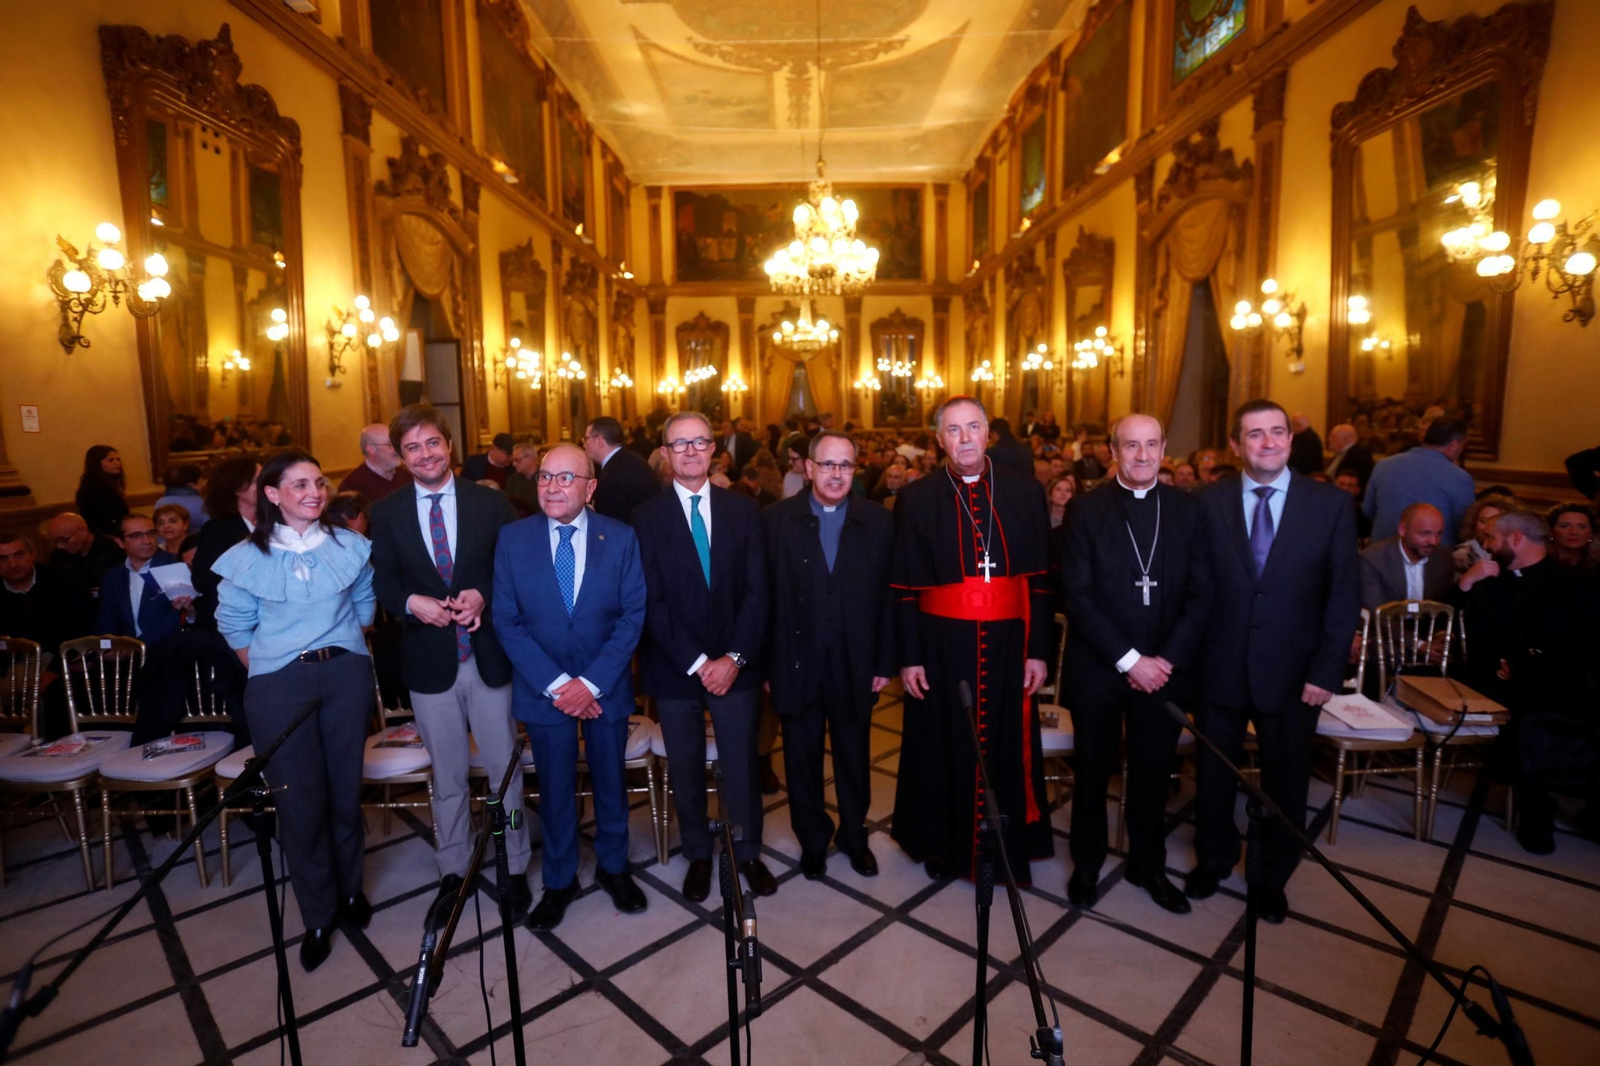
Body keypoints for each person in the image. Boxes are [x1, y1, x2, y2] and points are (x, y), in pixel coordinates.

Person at [1187, 400, 1359, 922]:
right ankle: (1214, 858)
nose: (1268, 442)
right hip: (1219, 665)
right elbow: (1193, 588)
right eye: (1255, 434)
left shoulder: (1328, 505)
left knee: (1286, 781)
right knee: (1214, 775)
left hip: (1294, 671)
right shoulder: (1205, 501)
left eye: (1277, 432)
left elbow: (1342, 595)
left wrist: (1326, 671)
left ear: (1290, 439)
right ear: (1236, 446)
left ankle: (1272, 876)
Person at [213, 450, 376, 971]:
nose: (314, 491)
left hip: (346, 674)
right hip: (278, 685)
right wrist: (278, 666)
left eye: (319, 482)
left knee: (346, 792)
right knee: (299, 805)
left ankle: (351, 891)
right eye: (300, 484)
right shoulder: (246, 556)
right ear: (272, 494)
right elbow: (235, 628)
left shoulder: (349, 544)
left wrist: (338, 652)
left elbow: (366, 607)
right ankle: (318, 914)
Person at [369, 404, 531, 922]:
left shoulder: (489, 502)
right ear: (400, 457)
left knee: (504, 768)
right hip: (428, 659)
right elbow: (385, 580)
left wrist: (482, 593)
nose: (425, 454)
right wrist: (409, 604)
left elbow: (514, 568)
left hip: (486, 656)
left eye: (432, 442)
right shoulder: (388, 512)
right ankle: (453, 868)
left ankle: (514, 862)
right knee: (448, 773)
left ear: (450, 446)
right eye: (412, 447)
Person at [891, 396, 1054, 880]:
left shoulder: (1025, 493)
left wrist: (1040, 651)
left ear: (988, 433)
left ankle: (1005, 844)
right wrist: (910, 657)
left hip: (1009, 644)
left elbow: (1042, 579)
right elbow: (901, 588)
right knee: (942, 743)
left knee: (1006, 739)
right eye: (954, 430)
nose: (965, 439)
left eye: (973, 428)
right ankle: (944, 844)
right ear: (939, 439)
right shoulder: (917, 498)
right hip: (940, 647)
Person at [493, 443, 650, 928]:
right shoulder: (512, 539)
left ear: (590, 487)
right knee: (556, 787)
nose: (552, 486)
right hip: (546, 692)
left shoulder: (620, 537)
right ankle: (559, 880)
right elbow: (507, 620)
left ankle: (613, 868)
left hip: (606, 690)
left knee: (609, 782)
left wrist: (592, 684)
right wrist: (562, 686)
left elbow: (632, 617)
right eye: (545, 477)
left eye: (565, 478)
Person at [1060, 414, 1212, 911]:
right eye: (1131, 445)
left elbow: (1201, 595)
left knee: (1152, 773)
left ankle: (1148, 865)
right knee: (1091, 771)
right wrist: (1130, 660)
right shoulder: (1086, 509)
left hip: (1164, 672)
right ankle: (1087, 863)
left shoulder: (1188, 511)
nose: (1142, 455)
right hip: (1101, 666)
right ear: (1113, 450)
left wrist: (1164, 660)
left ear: (1165, 447)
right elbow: (1077, 594)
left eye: (1151, 445)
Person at [632, 411, 774, 901]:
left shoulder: (743, 511)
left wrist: (733, 657)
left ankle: (748, 850)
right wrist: (698, 661)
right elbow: (651, 599)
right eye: (680, 444)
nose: (690, 452)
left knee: (741, 765)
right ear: (666, 454)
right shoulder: (645, 518)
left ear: (714, 449)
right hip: (675, 667)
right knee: (686, 766)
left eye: (699, 443)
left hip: (736, 664)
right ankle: (696, 852)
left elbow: (759, 592)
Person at [762, 432, 895, 880]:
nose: (837, 474)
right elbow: (764, 601)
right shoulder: (776, 521)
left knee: (854, 757)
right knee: (801, 758)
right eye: (828, 465)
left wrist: (883, 662)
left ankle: (855, 836)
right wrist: (765, 665)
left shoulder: (877, 521)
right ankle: (813, 840)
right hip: (795, 661)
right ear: (808, 468)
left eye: (846, 466)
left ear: (855, 470)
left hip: (855, 663)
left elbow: (888, 599)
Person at [1464, 510, 1599, 852]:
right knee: (1531, 716)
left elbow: (1580, 640)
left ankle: (1593, 809)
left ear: (1515, 539)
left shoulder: (1573, 583)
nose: (1488, 545)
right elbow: (1474, 638)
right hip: (1506, 683)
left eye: (1493, 538)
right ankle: (1536, 810)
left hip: (1564, 677)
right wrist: (1467, 582)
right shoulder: (1490, 584)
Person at [0, 529, 94, 738]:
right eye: (3, 558)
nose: (13, 564)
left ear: (32, 553)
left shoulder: (64, 578)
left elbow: (79, 629)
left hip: (59, 657)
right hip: (11, 662)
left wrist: (54, 670)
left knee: (50, 693)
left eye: (18, 554)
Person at [1363, 419, 1475, 547]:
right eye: (1463, 445)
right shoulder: (1460, 478)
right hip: (1432, 559)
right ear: (1454, 445)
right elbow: (1465, 528)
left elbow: (1368, 511)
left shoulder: (1383, 465)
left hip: (1381, 556)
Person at [97, 513, 191, 647]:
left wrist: (135, 647)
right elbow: (107, 621)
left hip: (170, 651)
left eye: (151, 533)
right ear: (120, 542)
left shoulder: (174, 565)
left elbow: (177, 617)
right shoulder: (113, 576)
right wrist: (105, 649)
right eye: (136, 536)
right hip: (126, 658)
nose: (147, 541)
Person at [190, 457, 261, 631]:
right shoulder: (218, 529)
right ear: (237, 488)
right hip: (235, 622)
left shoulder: (277, 521)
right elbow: (204, 580)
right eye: (258, 480)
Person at [1358, 503, 1454, 611]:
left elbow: (1444, 608)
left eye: (1439, 534)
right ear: (1403, 530)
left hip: (1428, 626)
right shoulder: (1373, 559)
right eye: (1425, 533)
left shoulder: (1444, 558)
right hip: (1386, 625)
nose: (1433, 541)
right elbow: (1377, 612)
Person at [584, 417, 657, 524]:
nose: (584, 445)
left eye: (586, 439)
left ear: (599, 441)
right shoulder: (632, 460)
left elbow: (610, 524)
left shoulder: (613, 475)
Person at [46, 512, 124, 590]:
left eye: (64, 540)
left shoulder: (113, 548)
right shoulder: (58, 556)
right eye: (55, 542)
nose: (59, 546)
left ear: (83, 531)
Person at [338, 423, 413, 502]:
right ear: (371, 449)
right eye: (390, 445)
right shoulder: (352, 485)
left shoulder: (406, 475)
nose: (396, 450)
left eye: (396, 444)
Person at [1453, 494, 1516, 579]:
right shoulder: (1463, 554)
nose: (1487, 527)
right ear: (1474, 522)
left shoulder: (1511, 551)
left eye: (1494, 522)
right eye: (1483, 521)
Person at [76, 445, 129, 537]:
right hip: (107, 536)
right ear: (97, 463)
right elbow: (100, 520)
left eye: (118, 459)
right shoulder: (93, 487)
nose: (117, 463)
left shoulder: (110, 484)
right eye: (111, 460)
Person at [154, 463, 207, 529]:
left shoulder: (160, 503)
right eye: (201, 482)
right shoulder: (201, 503)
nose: (202, 485)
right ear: (191, 484)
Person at [1548, 503, 1599, 570]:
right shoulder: (1538, 564)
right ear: (1551, 532)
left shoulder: (1596, 567)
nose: (1574, 532)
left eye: (1582, 527)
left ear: (1591, 534)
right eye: (1564, 526)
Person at [504, 442, 541, 513]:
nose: (514, 464)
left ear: (530, 458)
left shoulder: (546, 478)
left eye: (517, 460)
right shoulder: (513, 480)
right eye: (513, 460)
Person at [780, 434, 809, 498]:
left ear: (806, 458)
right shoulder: (789, 477)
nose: (790, 462)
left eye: (793, 459)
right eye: (789, 458)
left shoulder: (820, 479)